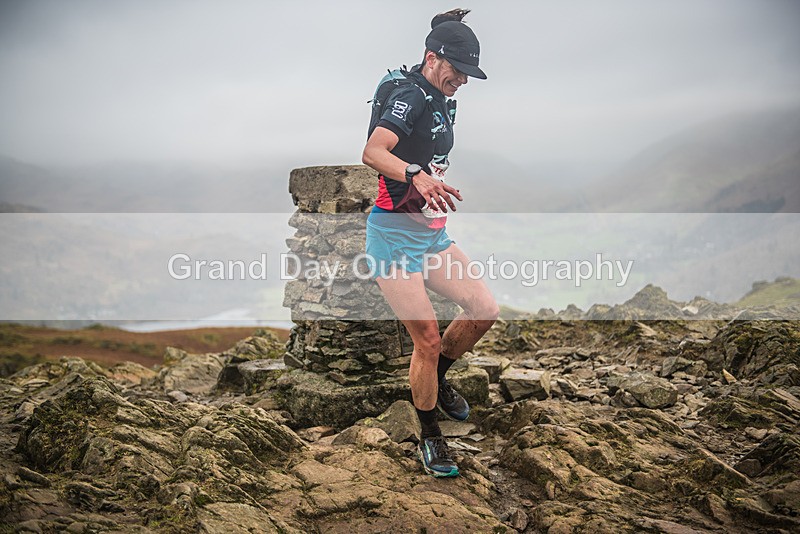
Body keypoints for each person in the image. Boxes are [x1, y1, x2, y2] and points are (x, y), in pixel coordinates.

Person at [361, 9, 499, 478]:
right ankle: (430, 435)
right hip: (393, 237)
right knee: (427, 338)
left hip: (432, 234)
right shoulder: (408, 95)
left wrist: (433, 184)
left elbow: (430, 151)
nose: (462, 80)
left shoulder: (445, 98)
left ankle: (435, 382)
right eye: (456, 70)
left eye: (468, 74)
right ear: (431, 57)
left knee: (484, 309)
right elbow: (373, 152)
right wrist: (416, 175)